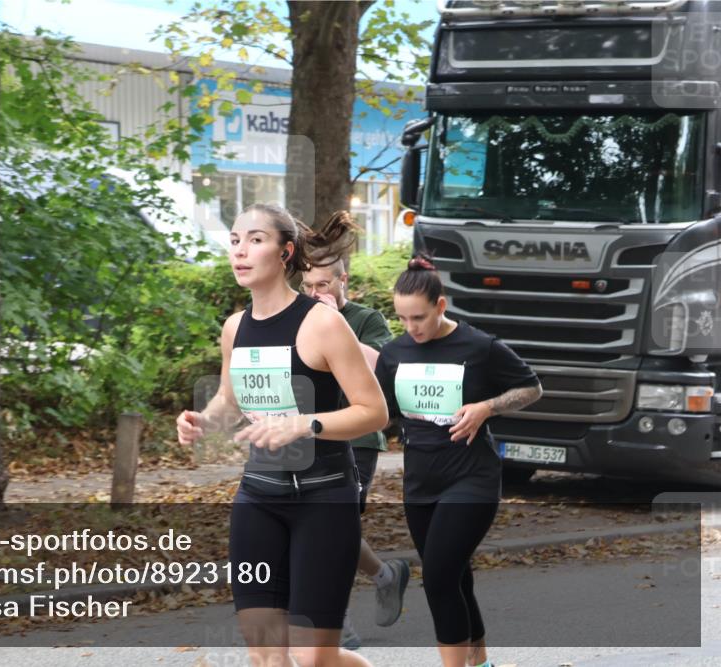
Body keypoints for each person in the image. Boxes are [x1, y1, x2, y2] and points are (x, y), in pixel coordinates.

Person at [176, 205, 389, 667]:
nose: (240, 251)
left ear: (285, 251)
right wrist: (203, 421)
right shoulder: (235, 327)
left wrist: (305, 423)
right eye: (234, 240)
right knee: (266, 655)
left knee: (314, 658)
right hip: (258, 499)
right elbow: (232, 401)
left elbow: (374, 413)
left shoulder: (322, 323)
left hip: (323, 501)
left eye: (255, 240)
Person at [373, 253, 543, 667]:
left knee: (438, 577)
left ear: (441, 306)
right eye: (402, 319)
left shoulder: (479, 346)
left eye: (419, 318)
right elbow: (383, 413)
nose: (411, 328)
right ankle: (481, 662)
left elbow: (531, 388)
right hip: (420, 482)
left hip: (472, 478)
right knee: (456, 576)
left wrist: (486, 406)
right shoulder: (394, 354)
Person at [300, 253, 410, 650]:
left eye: (323, 286)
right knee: (325, 527)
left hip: (358, 438)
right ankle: (385, 576)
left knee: (331, 527)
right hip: (307, 435)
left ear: (343, 280)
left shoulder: (367, 320)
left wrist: (336, 325)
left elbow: (383, 368)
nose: (314, 294)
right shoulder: (298, 316)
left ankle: (335, 621)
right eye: (307, 287)